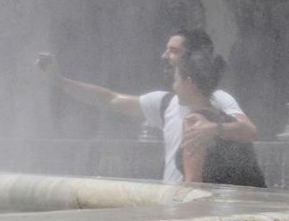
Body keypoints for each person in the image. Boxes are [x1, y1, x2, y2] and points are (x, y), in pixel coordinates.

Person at [36, 29, 258, 184]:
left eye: (173, 50)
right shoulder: (165, 102)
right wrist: (59, 81)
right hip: (172, 202)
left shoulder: (218, 99)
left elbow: (248, 130)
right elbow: (109, 99)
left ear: (195, 57)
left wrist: (213, 129)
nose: (164, 56)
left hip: (196, 206)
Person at [173, 49, 265, 187]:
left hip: (220, 205)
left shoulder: (194, 122)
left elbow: (192, 182)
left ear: (189, 82)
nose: (173, 86)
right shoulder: (226, 117)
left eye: (176, 80)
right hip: (251, 202)